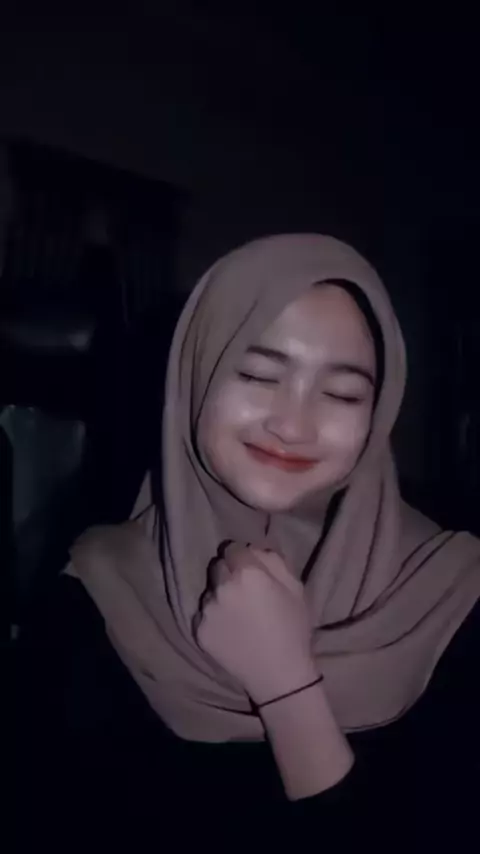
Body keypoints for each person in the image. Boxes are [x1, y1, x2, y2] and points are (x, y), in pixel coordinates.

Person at [17, 235, 480, 849]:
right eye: (259, 374)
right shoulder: (95, 589)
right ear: (195, 374)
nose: (292, 424)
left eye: (343, 393)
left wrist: (287, 686)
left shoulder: (450, 592)